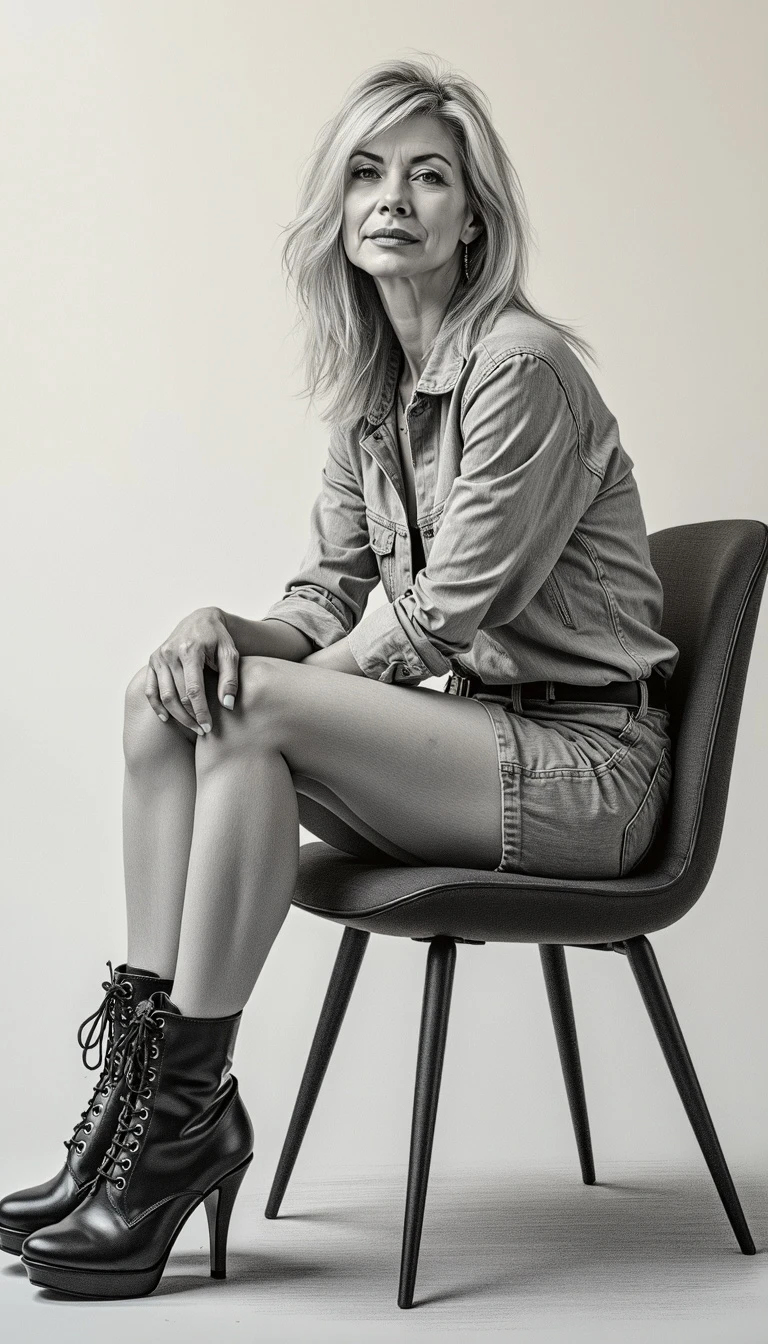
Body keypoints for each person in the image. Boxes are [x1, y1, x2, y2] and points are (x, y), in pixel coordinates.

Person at [0, 55, 678, 1299]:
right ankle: (144, 1109)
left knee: (247, 713)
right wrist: (221, 631)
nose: (393, 198)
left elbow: (430, 622)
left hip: (589, 777)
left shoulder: (518, 370)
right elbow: (327, 600)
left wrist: (266, 685)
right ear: (338, 204)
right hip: (473, 759)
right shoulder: (373, 401)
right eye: (368, 171)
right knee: (172, 693)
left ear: (474, 217)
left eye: (430, 177)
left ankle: (177, 1131)